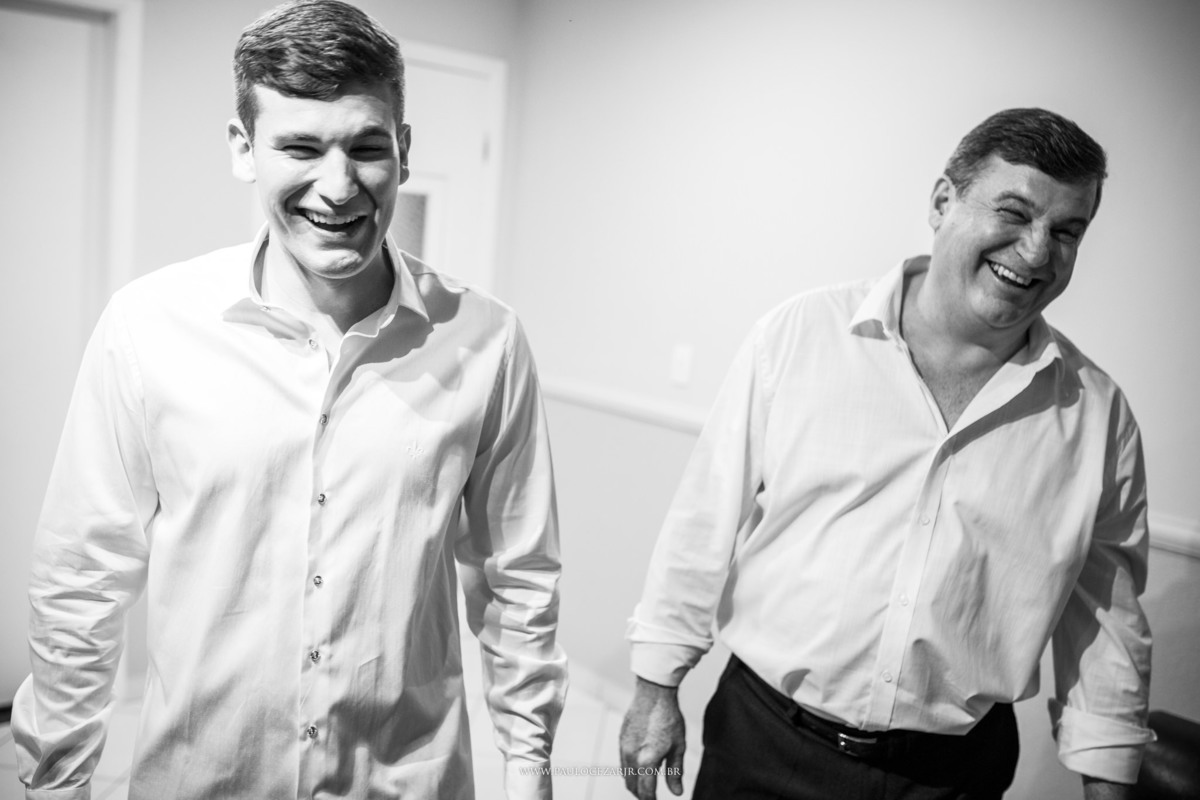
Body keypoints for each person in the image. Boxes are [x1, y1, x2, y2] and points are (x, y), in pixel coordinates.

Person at [12, 2, 566, 798]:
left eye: (366, 147)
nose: (337, 188)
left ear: (404, 151)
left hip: (406, 780)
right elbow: (81, 579)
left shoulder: (489, 343)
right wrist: (56, 783)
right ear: (244, 149)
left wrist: (530, 771)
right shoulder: (147, 328)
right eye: (300, 147)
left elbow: (520, 581)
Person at [619, 108, 1151, 800]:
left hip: (952, 778)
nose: (1035, 251)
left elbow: (1108, 626)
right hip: (764, 744)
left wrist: (1107, 784)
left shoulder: (1097, 417)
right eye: (1014, 213)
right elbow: (704, 518)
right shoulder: (801, 335)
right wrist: (656, 685)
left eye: (1066, 232)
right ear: (942, 202)